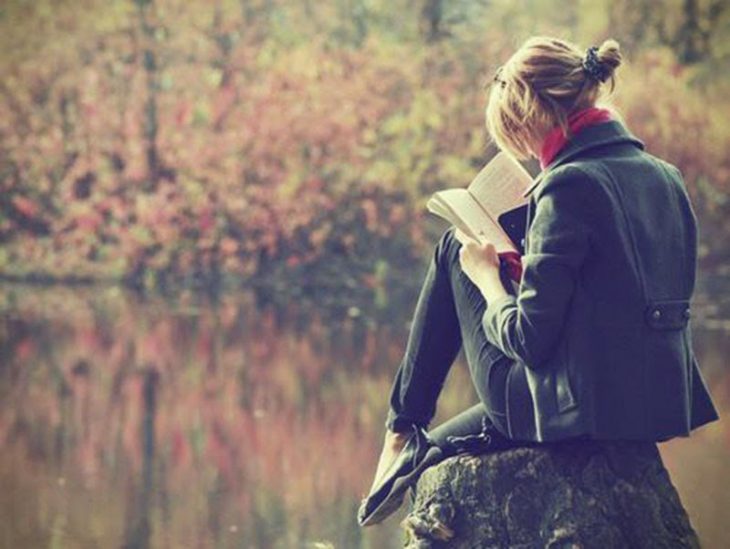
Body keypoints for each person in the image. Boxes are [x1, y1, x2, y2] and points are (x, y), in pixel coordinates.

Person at [357, 36, 720, 527]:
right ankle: (418, 449)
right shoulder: (666, 177)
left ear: (535, 112)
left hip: (581, 409)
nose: (524, 149)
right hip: (650, 406)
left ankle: (401, 429)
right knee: (443, 444)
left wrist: (489, 281)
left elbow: (530, 341)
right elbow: (618, 296)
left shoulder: (569, 184)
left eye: (517, 133)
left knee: (453, 249)